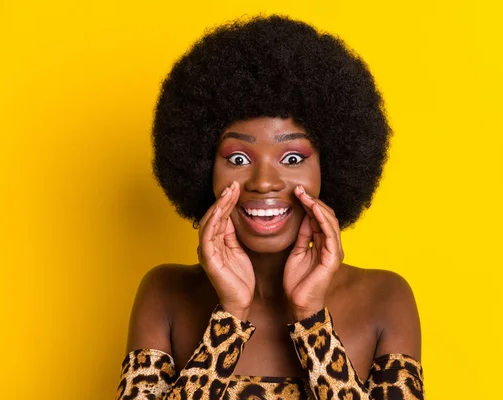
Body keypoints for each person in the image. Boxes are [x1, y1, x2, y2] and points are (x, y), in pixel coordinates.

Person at [116, 15, 424, 400]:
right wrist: (229, 316)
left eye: (292, 158)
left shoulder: (385, 298)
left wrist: (311, 320)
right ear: (203, 168)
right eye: (239, 159)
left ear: (330, 169)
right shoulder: (165, 293)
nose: (264, 182)